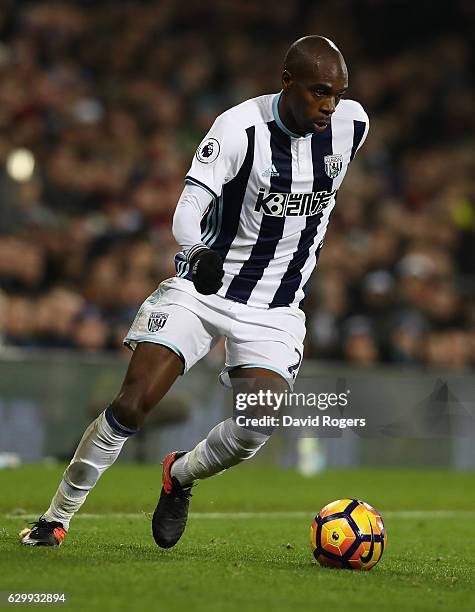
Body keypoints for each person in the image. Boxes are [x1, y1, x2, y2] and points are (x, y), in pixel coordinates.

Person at [19, 35, 369, 548]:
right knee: (135, 401)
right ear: (286, 81)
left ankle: (179, 475)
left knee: (256, 426)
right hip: (204, 286)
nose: (330, 105)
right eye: (320, 92)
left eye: (337, 94)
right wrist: (195, 254)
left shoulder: (352, 126)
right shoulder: (236, 129)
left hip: (275, 306)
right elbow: (187, 211)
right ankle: (56, 518)